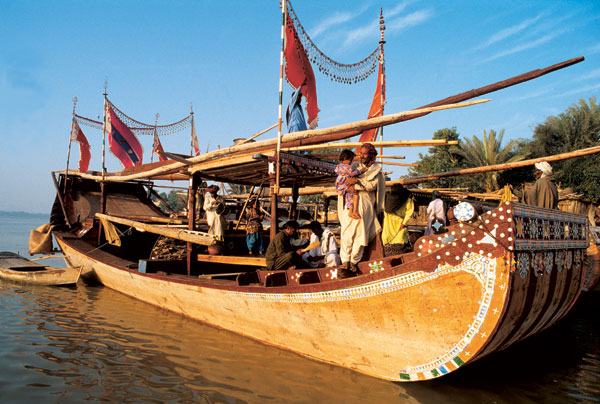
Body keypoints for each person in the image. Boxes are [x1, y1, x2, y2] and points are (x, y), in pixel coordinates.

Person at [337, 143, 386, 275]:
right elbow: (344, 180)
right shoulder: (353, 167)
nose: (362, 156)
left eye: (365, 154)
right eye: (361, 153)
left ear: (371, 155)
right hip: (350, 202)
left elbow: (371, 186)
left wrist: (357, 182)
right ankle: (345, 260)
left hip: (365, 204)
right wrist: (350, 185)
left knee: (361, 234)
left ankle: (354, 261)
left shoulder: (376, 170)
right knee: (347, 233)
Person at [381, 184, 414, 256]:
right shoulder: (389, 196)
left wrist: (404, 223)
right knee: (386, 238)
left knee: (400, 239)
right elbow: (386, 210)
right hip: (389, 222)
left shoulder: (407, 199)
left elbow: (409, 212)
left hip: (400, 223)